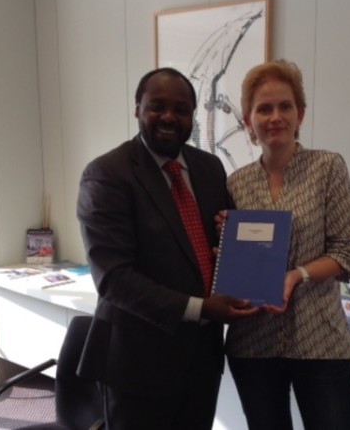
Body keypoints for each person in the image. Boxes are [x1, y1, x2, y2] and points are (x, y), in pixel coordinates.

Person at [76, 67, 258, 430]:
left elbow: (216, 245)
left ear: (193, 116)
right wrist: (201, 308)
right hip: (137, 364)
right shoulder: (107, 174)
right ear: (137, 108)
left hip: (202, 360)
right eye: (157, 106)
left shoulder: (210, 168)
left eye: (181, 109)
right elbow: (114, 279)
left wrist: (229, 240)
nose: (169, 117)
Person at [224, 59, 350, 430]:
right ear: (249, 120)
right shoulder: (236, 183)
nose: (275, 117)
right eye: (264, 109)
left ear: (300, 114)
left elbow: (345, 251)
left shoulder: (327, 168)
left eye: (285, 106)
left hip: (320, 341)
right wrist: (225, 236)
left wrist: (296, 275)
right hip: (253, 343)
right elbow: (232, 259)